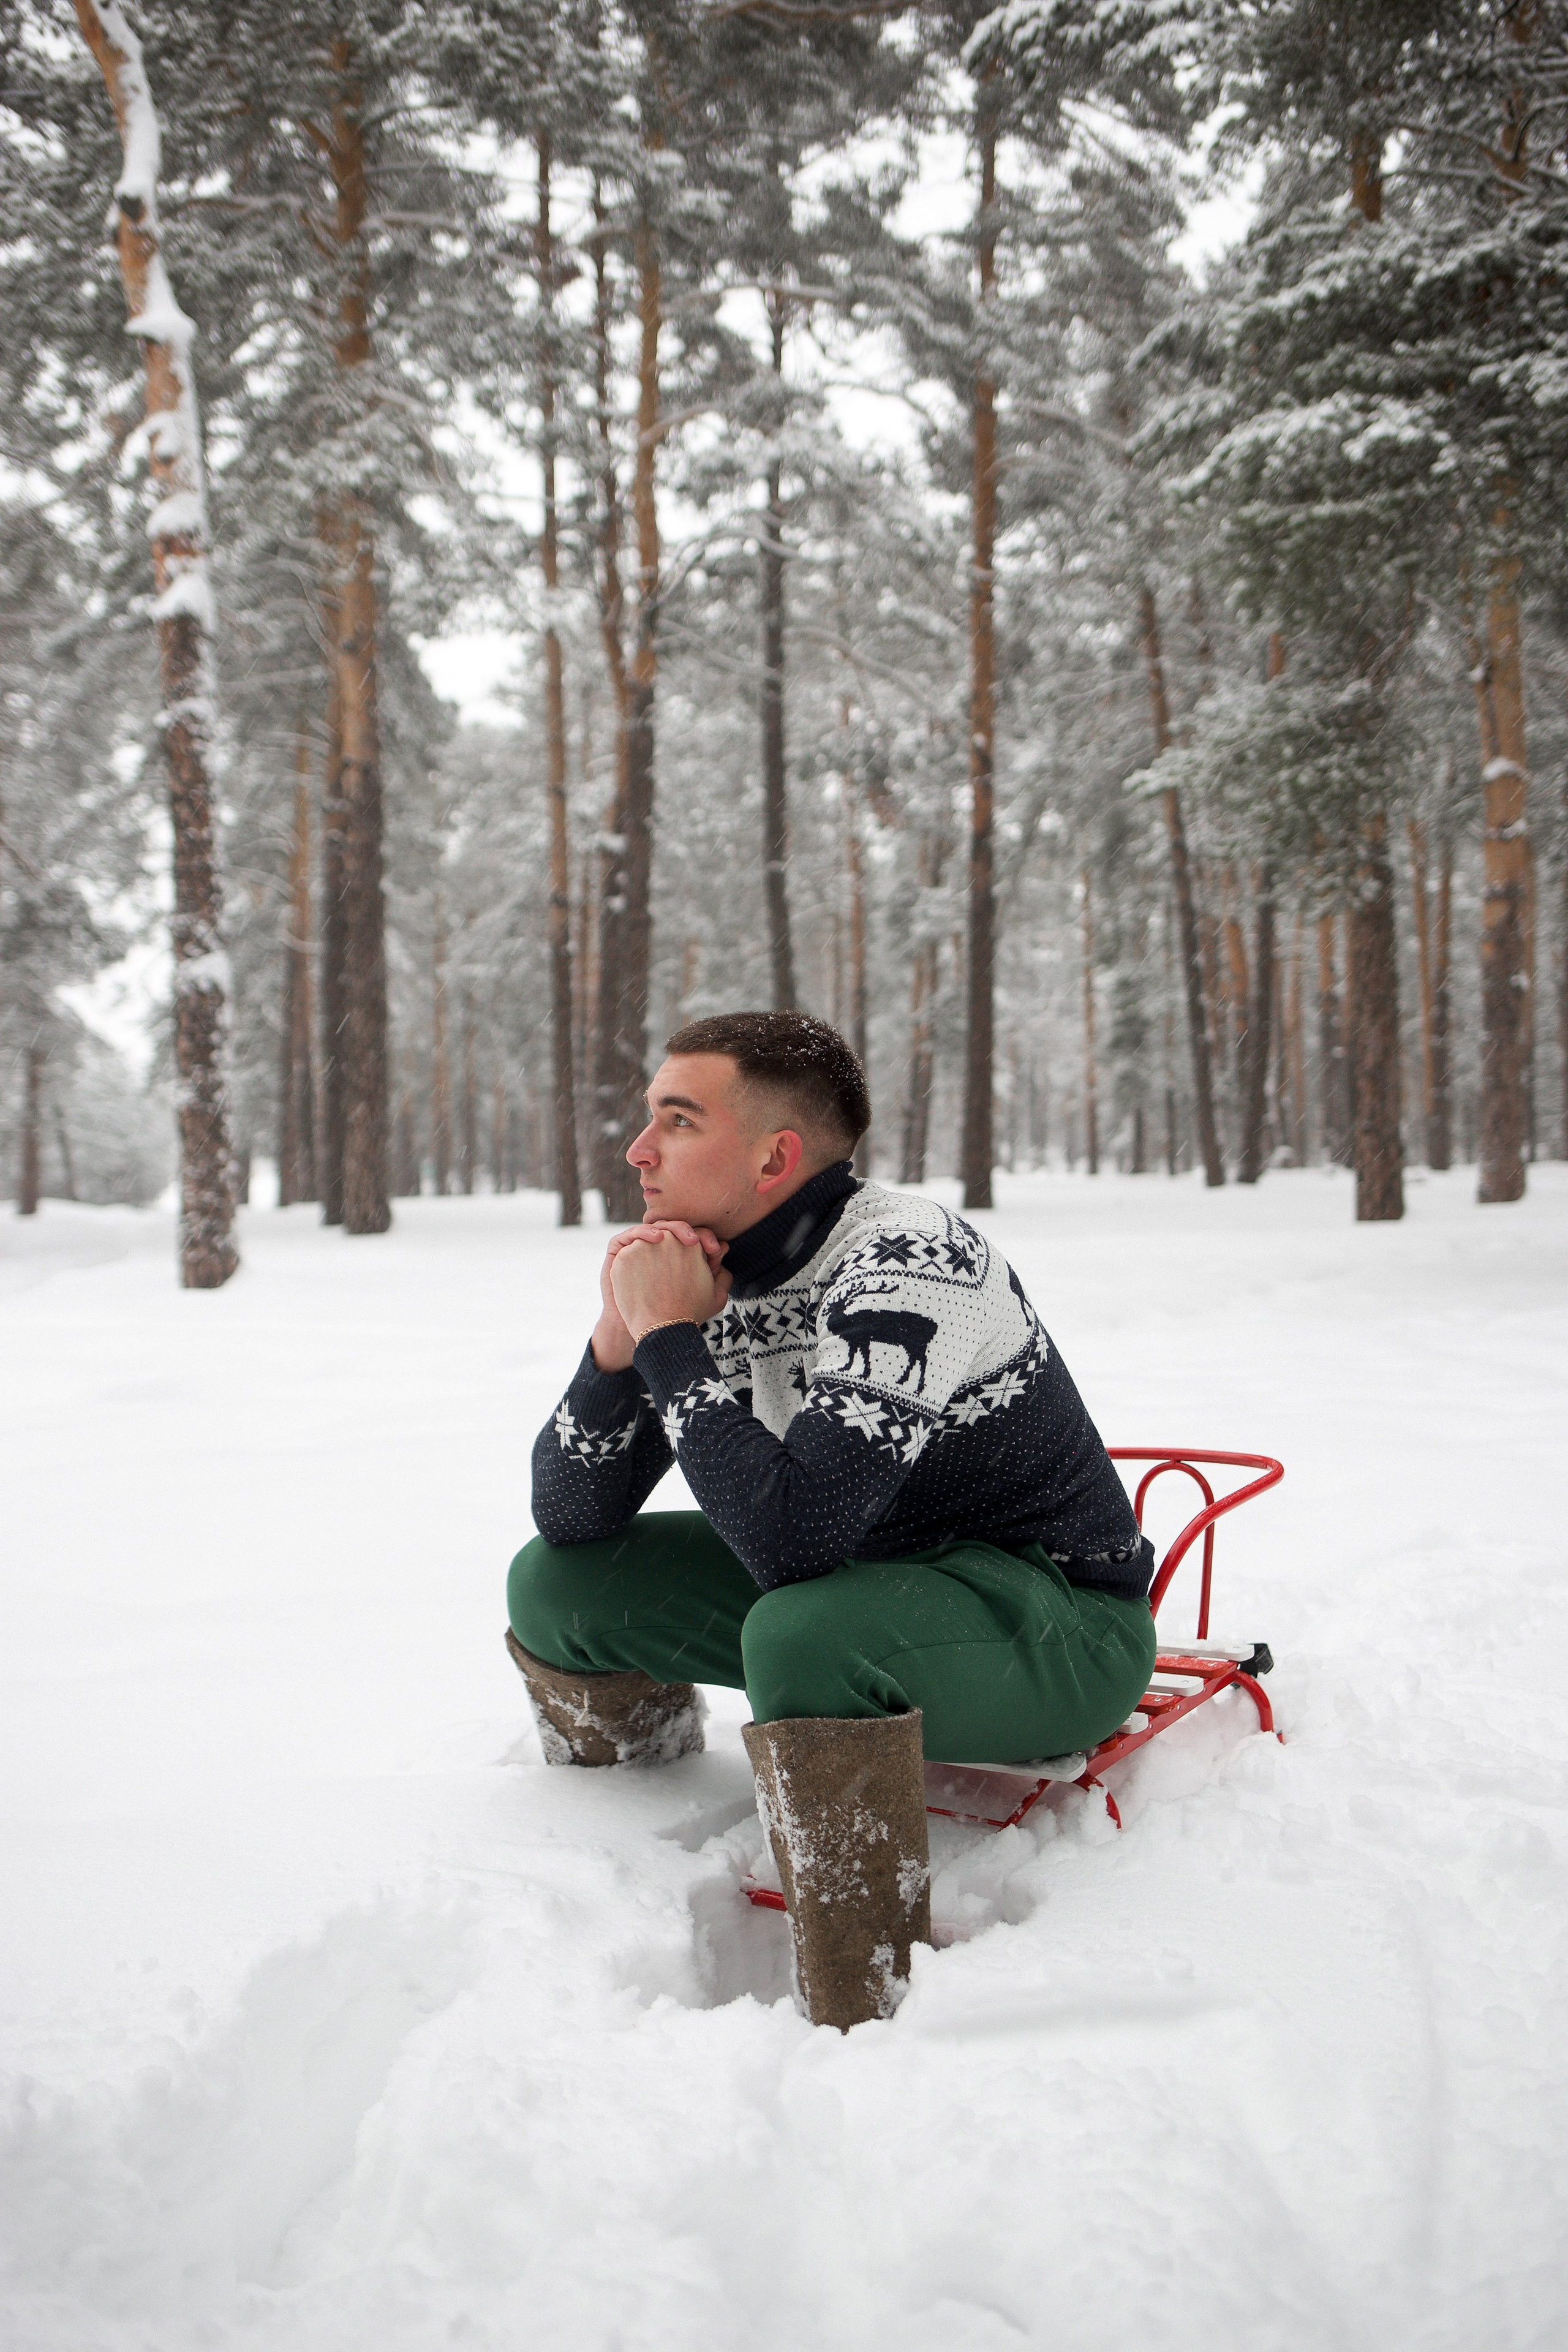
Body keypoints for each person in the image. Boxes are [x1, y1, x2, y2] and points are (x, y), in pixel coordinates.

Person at [506, 1011, 1156, 2028]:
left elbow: (792, 1543)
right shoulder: (706, 1267)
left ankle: (868, 1992)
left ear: (775, 1155)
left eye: (676, 1122)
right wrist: (620, 1339)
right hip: (863, 1586)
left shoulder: (907, 1258)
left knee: (800, 1626)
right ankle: (636, 1833)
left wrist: (672, 1334)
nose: (637, 1152)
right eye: (648, 1121)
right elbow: (571, 1513)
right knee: (554, 1587)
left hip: (1054, 1618)